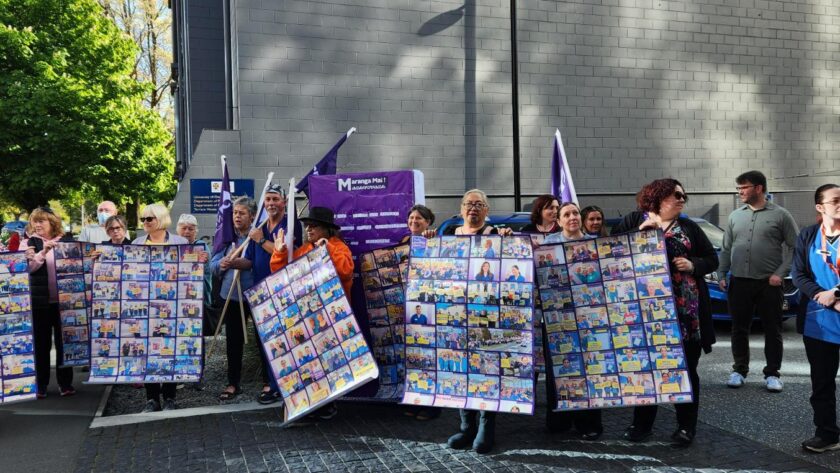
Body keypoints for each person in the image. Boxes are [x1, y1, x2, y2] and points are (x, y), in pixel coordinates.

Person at [612, 178, 718, 446]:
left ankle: (686, 428)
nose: (682, 199)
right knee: (647, 369)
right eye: (676, 195)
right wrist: (639, 234)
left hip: (685, 314)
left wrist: (693, 264)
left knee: (686, 370)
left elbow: (713, 259)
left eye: (684, 195)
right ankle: (642, 425)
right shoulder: (633, 220)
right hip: (644, 313)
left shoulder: (689, 227)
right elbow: (612, 255)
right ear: (658, 198)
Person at [717, 170, 799, 392]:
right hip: (739, 282)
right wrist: (722, 273)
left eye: (744, 187)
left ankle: (772, 373)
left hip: (768, 284)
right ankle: (739, 370)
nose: (740, 192)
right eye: (738, 188)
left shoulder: (781, 215)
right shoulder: (735, 216)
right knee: (739, 328)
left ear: (759, 188)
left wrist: (780, 274)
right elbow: (726, 248)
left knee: (773, 329)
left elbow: (795, 247)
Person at [443, 189, 512, 455]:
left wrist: (508, 239)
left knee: (486, 369)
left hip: (487, 316)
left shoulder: (495, 235)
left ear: (487, 210)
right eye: (469, 204)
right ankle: (466, 425)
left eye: (479, 204)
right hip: (457, 317)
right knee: (462, 370)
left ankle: (486, 426)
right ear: (461, 209)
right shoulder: (448, 236)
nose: (473, 208)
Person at [271, 206, 353, 421]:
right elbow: (282, 277)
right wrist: (279, 253)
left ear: (327, 229)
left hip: (332, 319)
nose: (308, 229)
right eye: (307, 226)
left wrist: (328, 250)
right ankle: (311, 402)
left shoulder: (339, 247)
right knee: (312, 364)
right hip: (308, 319)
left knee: (330, 362)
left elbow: (345, 271)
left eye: (313, 226)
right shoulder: (303, 250)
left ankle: (328, 403)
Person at [133, 203, 206, 412]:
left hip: (174, 306)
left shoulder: (180, 242)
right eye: (143, 219)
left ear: (161, 219)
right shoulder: (137, 243)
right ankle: (151, 398)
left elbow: (192, 270)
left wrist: (199, 260)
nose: (145, 223)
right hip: (146, 307)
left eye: (149, 219)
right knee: (148, 352)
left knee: (171, 349)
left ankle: (170, 397)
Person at [541, 201, 604, 438]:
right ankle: (559, 422)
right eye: (566, 214)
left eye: (575, 213)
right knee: (558, 371)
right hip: (557, 319)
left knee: (590, 370)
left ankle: (589, 424)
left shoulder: (594, 244)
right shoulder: (548, 245)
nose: (572, 217)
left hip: (589, 318)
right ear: (558, 221)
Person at [791, 183, 840, 453]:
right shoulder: (808, 234)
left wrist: (836, 294)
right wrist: (823, 295)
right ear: (820, 207)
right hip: (819, 321)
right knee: (821, 382)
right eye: (835, 200)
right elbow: (799, 274)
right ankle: (827, 434)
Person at [245, 183, 302, 404]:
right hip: (260, 292)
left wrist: (260, 239)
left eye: (275, 199)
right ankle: (270, 383)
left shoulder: (290, 224)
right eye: (267, 199)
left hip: (282, 291)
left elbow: (284, 253)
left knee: (283, 340)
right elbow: (249, 260)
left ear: (284, 201)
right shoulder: (260, 225)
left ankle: (283, 385)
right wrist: (230, 262)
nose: (270, 204)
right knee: (265, 340)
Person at [210, 197, 270, 401]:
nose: (237, 216)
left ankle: (268, 382)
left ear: (252, 215)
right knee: (233, 341)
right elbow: (213, 265)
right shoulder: (226, 238)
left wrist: (240, 263)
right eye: (235, 212)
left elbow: (258, 261)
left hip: (256, 294)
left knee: (264, 340)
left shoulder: (258, 234)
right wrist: (223, 264)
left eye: (241, 213)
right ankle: (233, 383)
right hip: (232, 297)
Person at [22, 207, 76, 398]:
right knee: (41, 344)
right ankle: (41, 385)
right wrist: (42, 252)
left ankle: (65, 384)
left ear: (52, 223)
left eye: (42, 221)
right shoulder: (28, 243)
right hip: (39, 303)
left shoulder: (67, 241)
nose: (37, 225)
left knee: (65, 344)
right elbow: (28, 269)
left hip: (64, 303)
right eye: (35, 221)